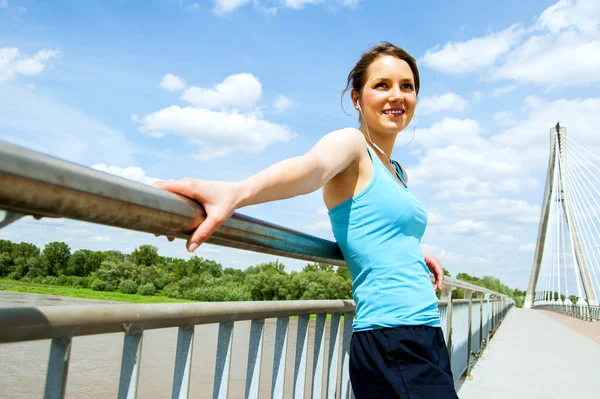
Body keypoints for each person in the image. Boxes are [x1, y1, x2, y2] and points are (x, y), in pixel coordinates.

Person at [154, 42, 458, 399]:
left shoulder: (397, 172)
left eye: (407, 86)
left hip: (425, 330)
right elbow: (310, 169)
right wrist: (236, 192)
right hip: (392, 337)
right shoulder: (351, 145)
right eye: (382, 85)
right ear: (357, 99)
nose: (397, 95)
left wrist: (412, 251)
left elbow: (376, 225)